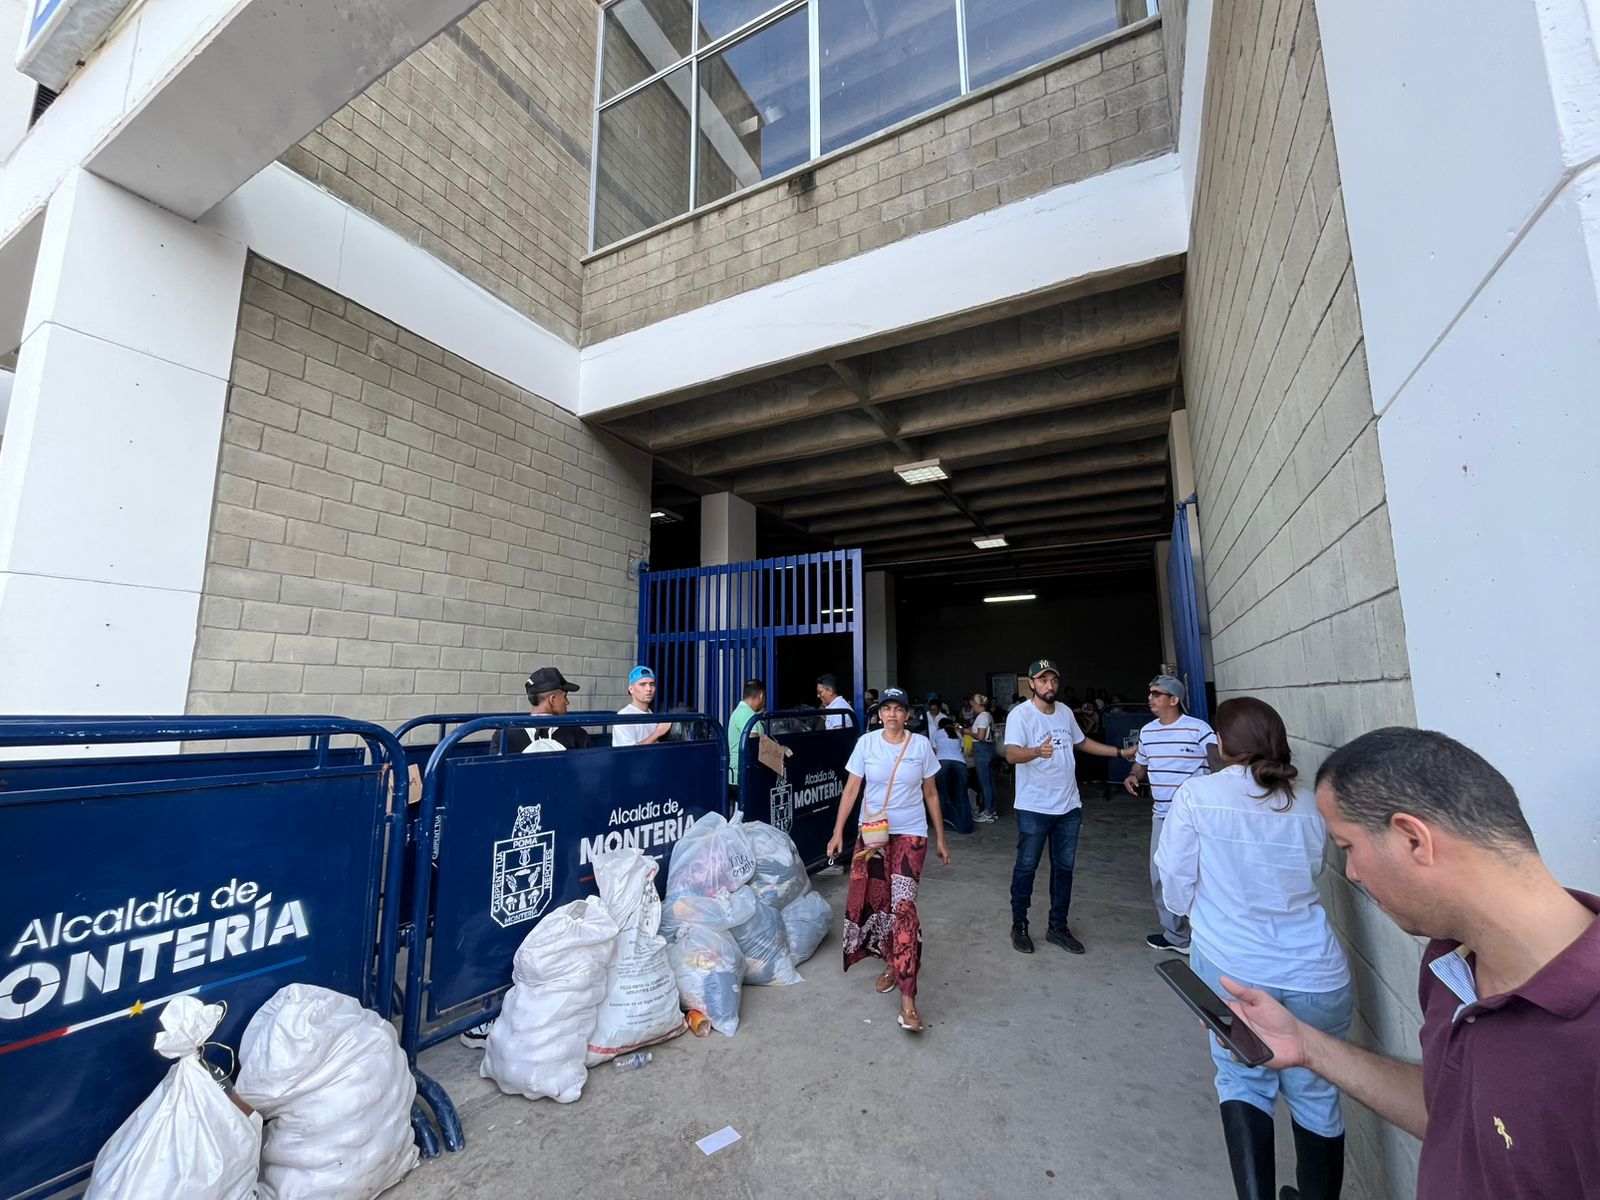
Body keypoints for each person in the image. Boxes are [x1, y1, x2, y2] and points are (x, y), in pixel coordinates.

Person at [1220, 727, 1600, 1200]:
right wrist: (1304, 1044)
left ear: (1413, 838)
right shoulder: (1451, 965)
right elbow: (1455, 1112)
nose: (1351, 874)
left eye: (1348, 847)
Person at [1154, 698, 1351, 1200]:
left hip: (1232, 967)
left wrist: (1193, 914)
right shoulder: (1309, 802)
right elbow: (1313, 869)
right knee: (1317, 1088)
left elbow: (1173, 876)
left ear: (1223, 744)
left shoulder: (1197, 795)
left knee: (1242, 1078)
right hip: (1316, 970)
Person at [826, 687, 949, 1033]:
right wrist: (838, 832)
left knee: (904, 909)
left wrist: (941, 838)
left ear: (907, 715)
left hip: (911, 834)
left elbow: (931, 793)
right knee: (880, 904)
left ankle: (909, 1001)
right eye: (887, 709)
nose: (892, 714)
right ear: (879, 714)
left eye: (898, 708)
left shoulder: (920, 746)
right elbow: (852, 789)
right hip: (873, 837)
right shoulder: (866, 744)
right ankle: (893, 964)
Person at [1003, 659, 1135, 954]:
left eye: (1053, 680)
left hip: (1068, 807)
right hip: (1034, 807)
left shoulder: (1064, 712)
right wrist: (1036, 751)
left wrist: (1120, 752)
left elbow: (1082, 742)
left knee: (1064, 869)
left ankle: (1058, 928)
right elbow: (1011, 754)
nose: (1049, 685)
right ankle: (1019, 925)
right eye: (1042, 680)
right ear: (1032, 684)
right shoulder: (1020, 715)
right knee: (1026, 867)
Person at [1126, 674, 1217, 953]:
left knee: (1201, 876)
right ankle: (1177, 937)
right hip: (1163, 817)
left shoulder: (1199, 729)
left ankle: (1210, 938)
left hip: (1196, 819)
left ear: (1174, 699)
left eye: (1157, 694)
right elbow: (1141, 763)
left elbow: (1218, 764)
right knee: (1161, 876)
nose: (1150, 698)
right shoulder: (1147, 732)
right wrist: (1134, 775)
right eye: (1150, 693)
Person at [500, 666, 591, 753]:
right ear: (553, 700)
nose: (567, 702)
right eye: (564, 696)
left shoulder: (505, 736)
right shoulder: (576, 735)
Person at [928, 709, 972, 833]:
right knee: (961, 795)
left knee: (944, 794)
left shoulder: (936, 733)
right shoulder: (957, 733)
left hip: (942, 763)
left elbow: (934, 751)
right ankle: (964, 826)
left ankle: (949, 823)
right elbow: (963, 750)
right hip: (959, 763)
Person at [612, 665, 671, 746]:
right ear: (631, 689)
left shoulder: (650, 713)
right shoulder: (624, 716)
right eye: (642, 684)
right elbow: (629, 751)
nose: (649, 689)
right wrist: (657, 733)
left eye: (652, 684)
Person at [726, 677, 766, 794]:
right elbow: (753, 744)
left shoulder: (744, 711)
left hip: (741, 774)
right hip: (742, 776)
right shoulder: (746, 714)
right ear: (761, 696)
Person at [969, 693, 998, 823]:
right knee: (990, 782)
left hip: (982, 750)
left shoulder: (982, 717)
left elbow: (980, 736)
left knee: (984, 783)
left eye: (973, 706)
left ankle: (988, 812)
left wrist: (968, 732)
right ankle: (992, 809)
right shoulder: (989, 716)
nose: (972, 708)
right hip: (990, 749)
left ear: (977, 704)